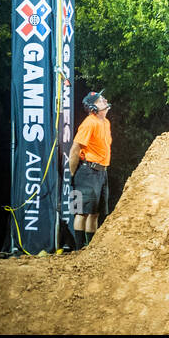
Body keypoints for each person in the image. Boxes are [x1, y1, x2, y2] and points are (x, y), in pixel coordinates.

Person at [69, 90, 112, 249]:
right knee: (81, 211)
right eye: (100, 100)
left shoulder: (106, 123)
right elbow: (75, 148)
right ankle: (79, 249)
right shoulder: (89, 123)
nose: (105, 100)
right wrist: (71, 173)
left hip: (101, 172)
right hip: (87, 171)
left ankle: (89, 249)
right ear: (93, 107)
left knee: (94, 213)